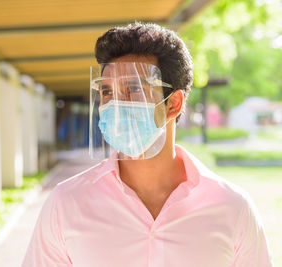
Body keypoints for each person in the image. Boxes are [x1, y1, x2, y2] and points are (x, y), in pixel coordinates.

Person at [21, 22, 274, 267]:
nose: (115, 105)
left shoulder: (232, 207)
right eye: (107, 92)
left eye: (132, 89)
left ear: (173, 104)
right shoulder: (66, 203)